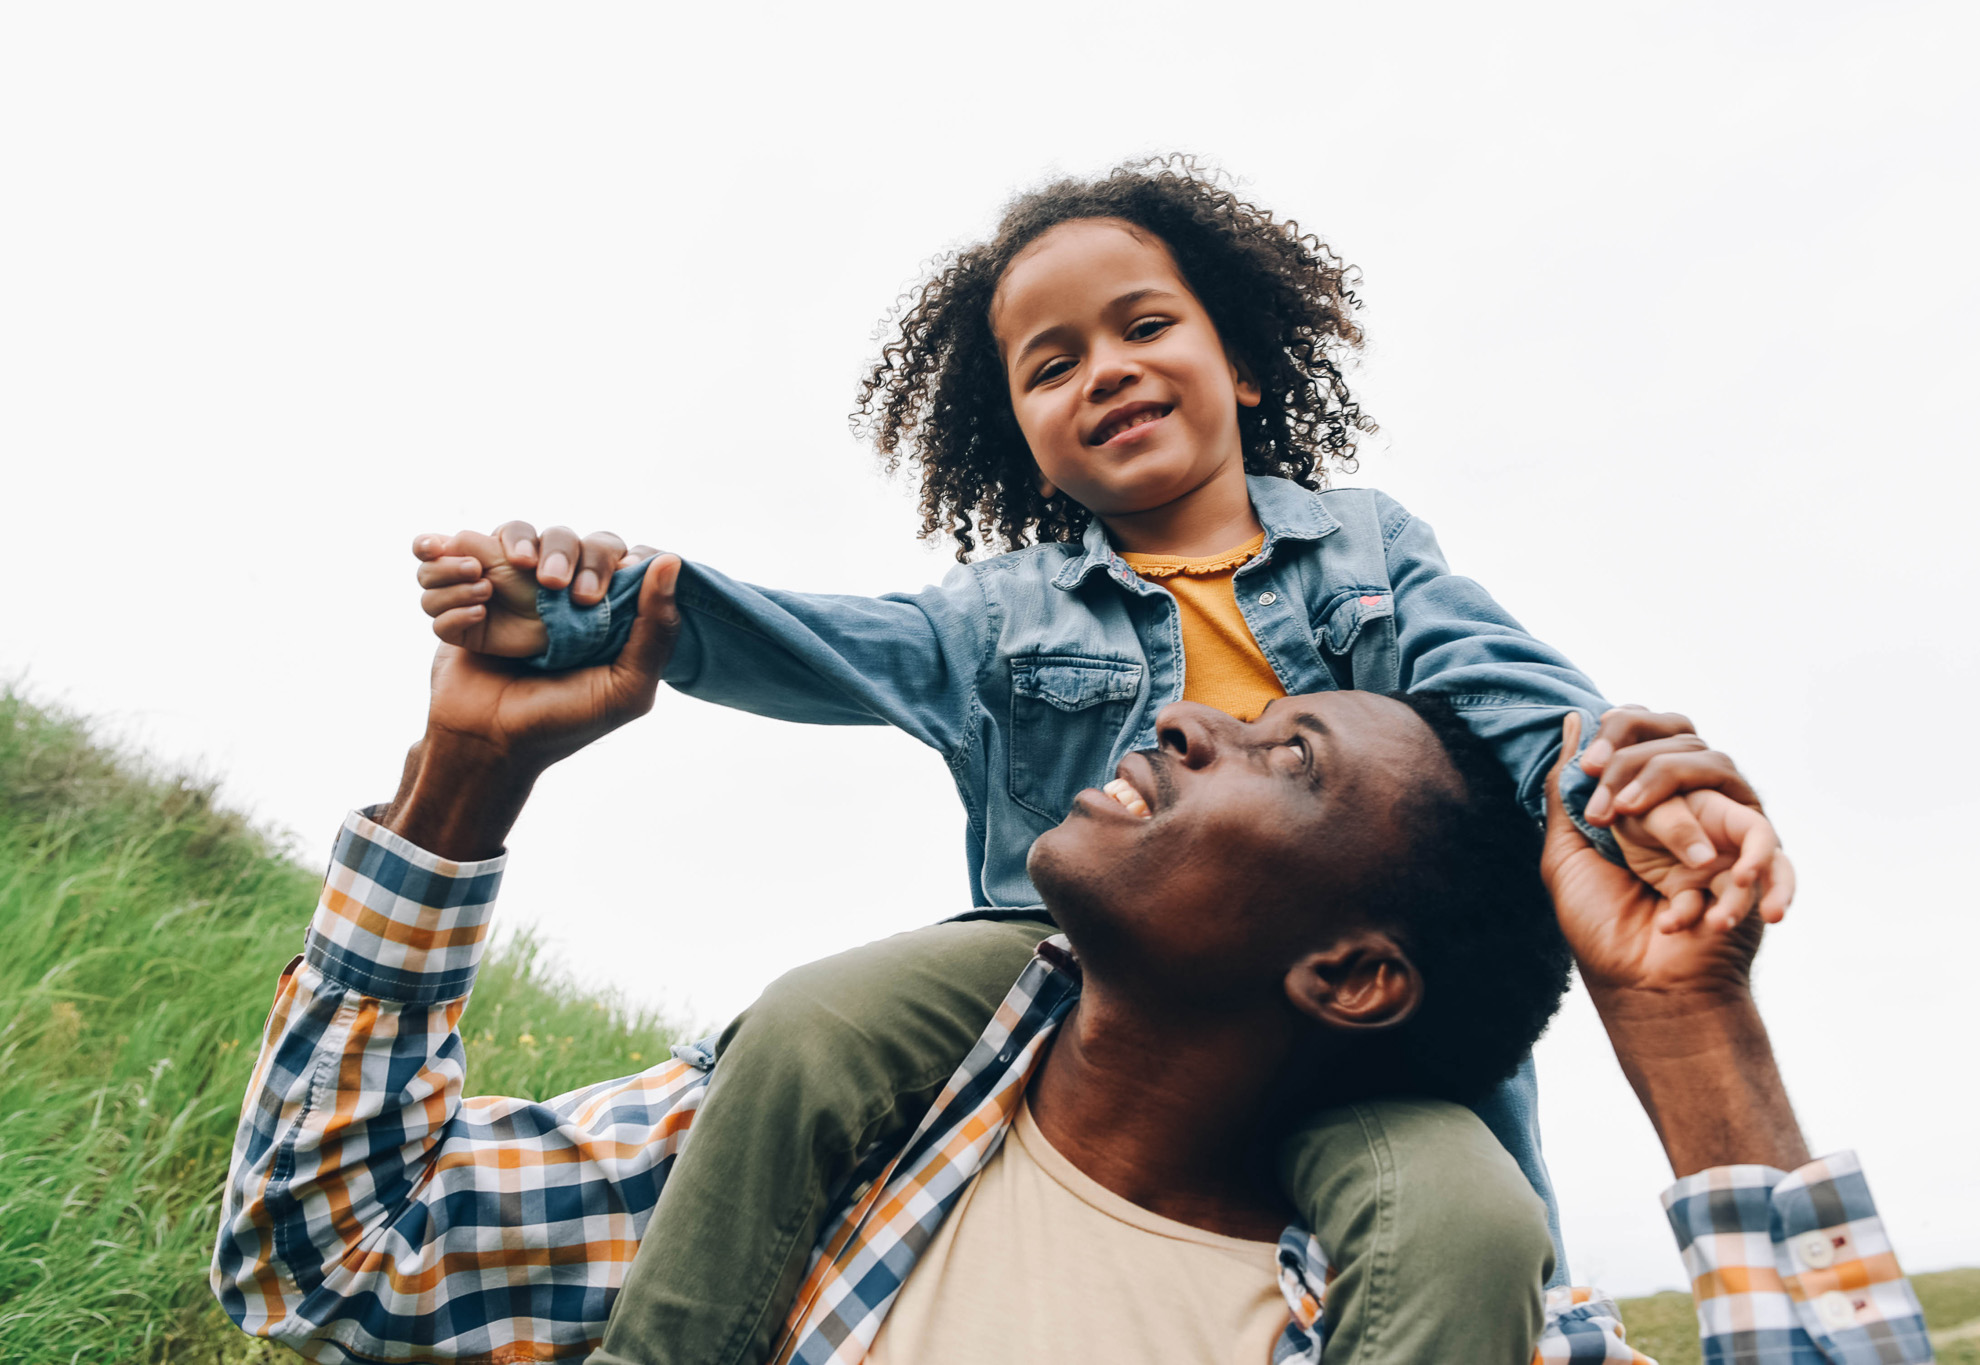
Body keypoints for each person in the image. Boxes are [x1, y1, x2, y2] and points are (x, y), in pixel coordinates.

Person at [407, 158, 1788, 1365]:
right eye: (1052, 364)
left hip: (1364, 1043)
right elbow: (798, 638)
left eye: (1143, 325)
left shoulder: (1367, 555)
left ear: (1240, 363)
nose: (1105, 369)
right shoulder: (1000, 615)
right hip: (1051, 981)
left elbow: (1520, 700)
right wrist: (593, 603)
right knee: (819, 1019)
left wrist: (1632, 794)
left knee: (1474, 1215)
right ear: (1023, 440)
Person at [211, 564, 1921, 1364]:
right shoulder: (822, 1139)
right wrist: (465, 780)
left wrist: (1689, 1024)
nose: (1184, 713)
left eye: (1289, 755)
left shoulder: (1450, 1314)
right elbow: (327, 1257)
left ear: (1350, 974)